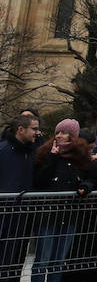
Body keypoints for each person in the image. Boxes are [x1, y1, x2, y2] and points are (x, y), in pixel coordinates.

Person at [32, 119, 97, 282]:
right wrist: (52, 158)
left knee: (58, 261)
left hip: (70, 215)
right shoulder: (45, 152)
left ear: (73, 136)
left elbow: (91, 178)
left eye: (64, 132)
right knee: (42, 260)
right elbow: (39, 181)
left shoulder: (81, 155)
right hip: (48, 215)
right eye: (57, 132)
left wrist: (85, 186)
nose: (59, 135)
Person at [0, 114, 40, 282]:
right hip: (4, 216)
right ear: (21, 129)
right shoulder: (3, 151)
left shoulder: (32, 152)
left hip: (23, 216)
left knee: (16, 262)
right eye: (34, 129)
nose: (38, 133)